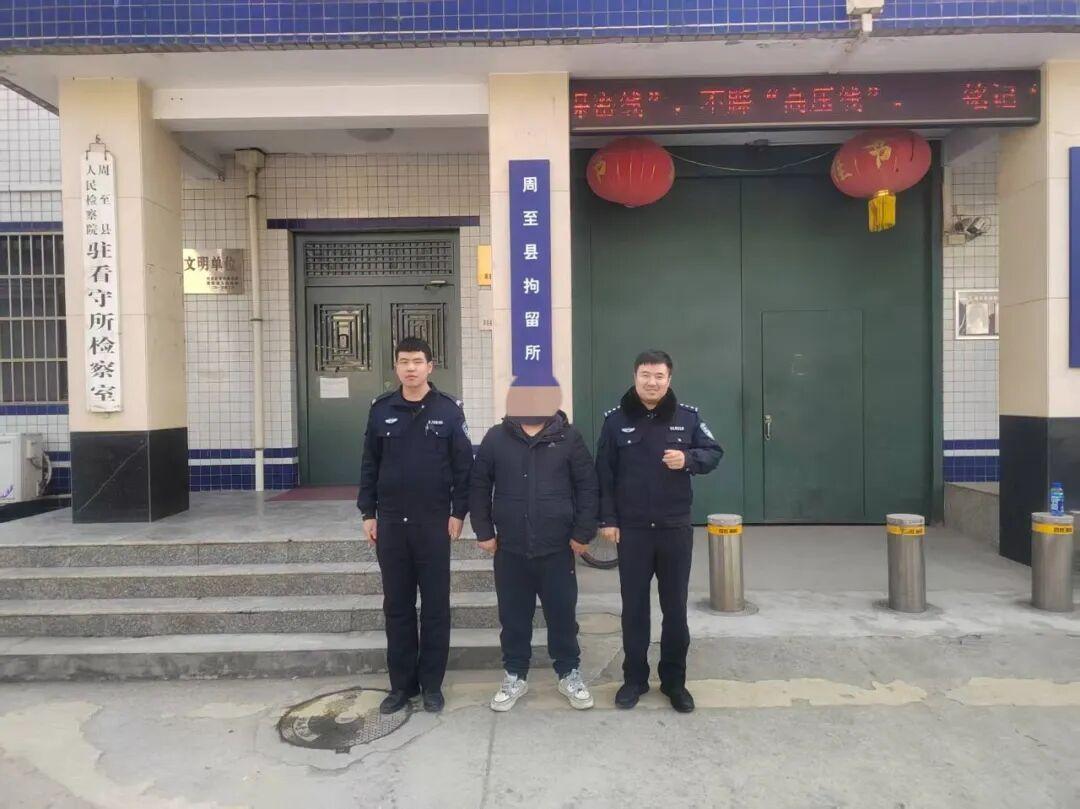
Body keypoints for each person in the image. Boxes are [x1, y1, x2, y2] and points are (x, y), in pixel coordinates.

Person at [596, 349, 723, 713]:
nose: (652, 382)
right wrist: (608, 520)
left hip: (673, 528)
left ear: (669, 379)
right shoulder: (615, 421)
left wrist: (689, 459)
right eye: (646, 375)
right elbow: (603, 474)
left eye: (659, 376)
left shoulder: (688, 418)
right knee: (634, 609)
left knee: (675, 609)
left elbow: (714, 452)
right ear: (635, 377)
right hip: (633, 531)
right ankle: (634, 679)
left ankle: (674, 682)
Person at [357, 336, 473, 715]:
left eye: (417, 361)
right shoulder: (381, 411)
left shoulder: (448, 411)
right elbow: (369, 464)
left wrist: (458, 513)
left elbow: (463, 468)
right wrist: (368, 512)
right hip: (391, 524)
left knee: (436, 607)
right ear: (396, 367)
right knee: (398, 607)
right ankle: (401, 686)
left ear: (430, 366)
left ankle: (432, 685)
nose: (411, 368)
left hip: (433, 524)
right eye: (404, 361)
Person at [469, 405, 599, 712]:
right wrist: (483, 530)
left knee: (562, 615)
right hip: (510, 548)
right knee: (513, 617)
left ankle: (568, 672)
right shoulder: (496, 438)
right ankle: (515, 674)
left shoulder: (568, 438)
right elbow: (479, 485)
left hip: (557, 548)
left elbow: (587, 486)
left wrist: (583, 532)